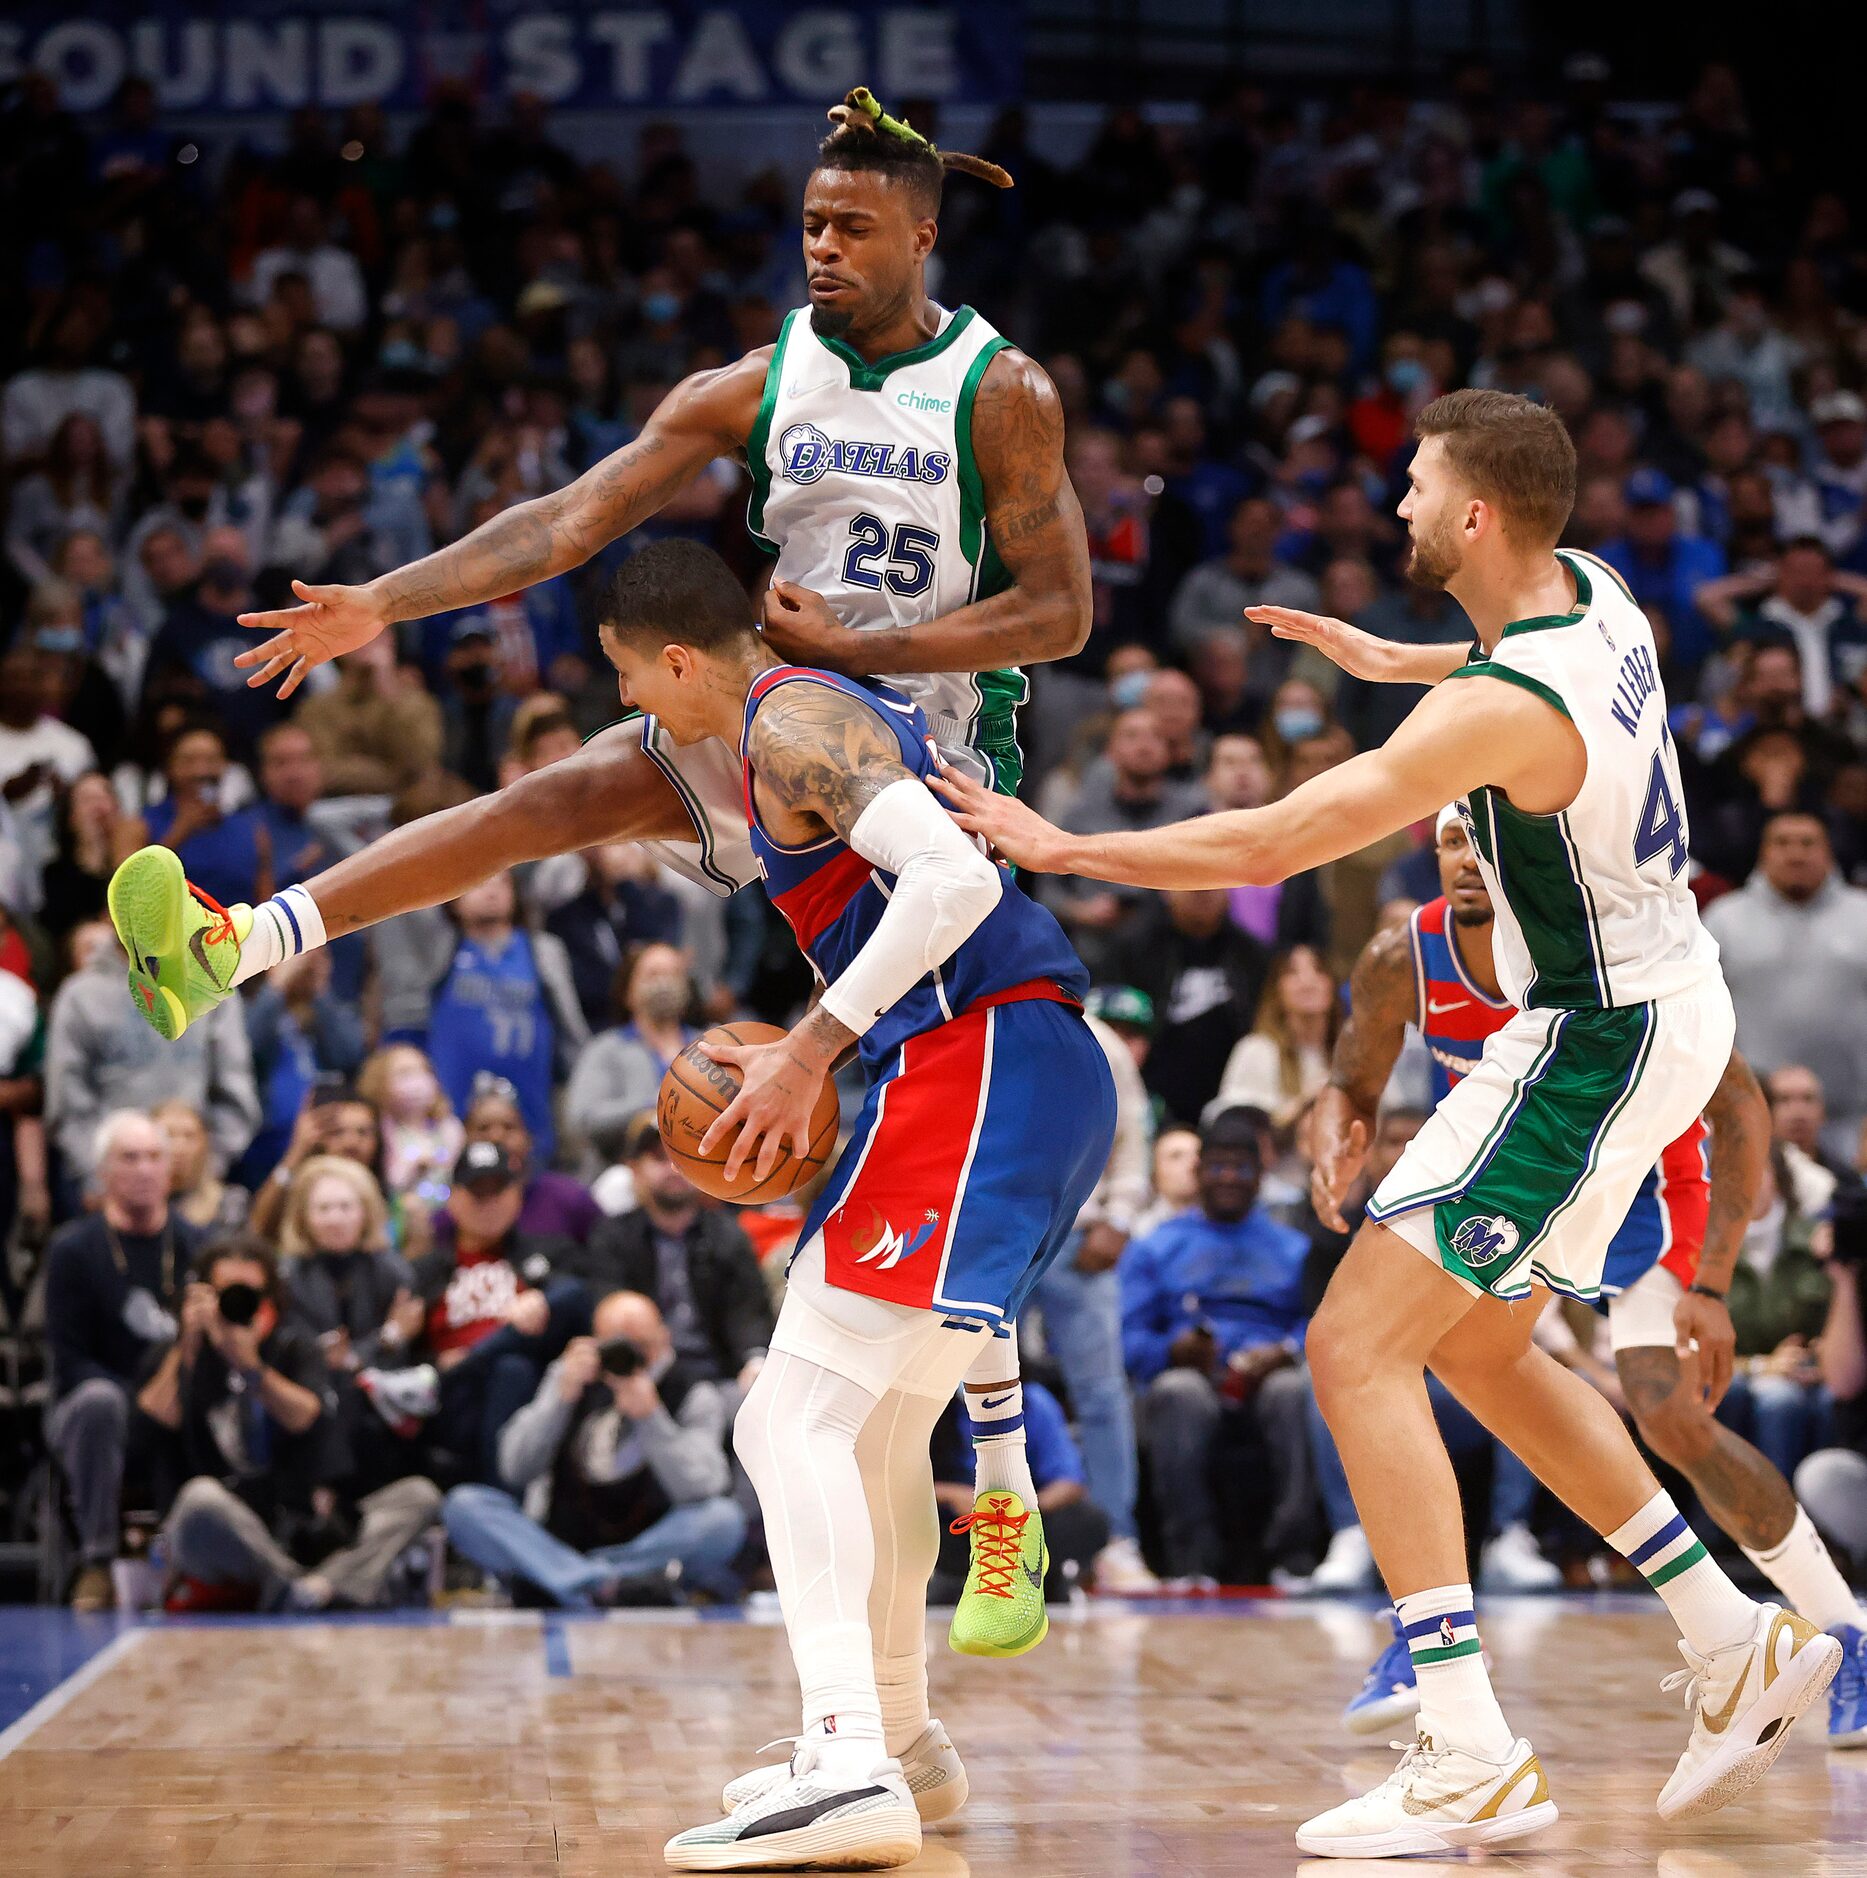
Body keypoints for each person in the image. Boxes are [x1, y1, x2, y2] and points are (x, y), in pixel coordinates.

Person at [939, 388, 1840, 1854]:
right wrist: (1391, 656)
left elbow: (1279, 834)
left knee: (1351, 1346)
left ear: (1477, 514)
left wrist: (1062, 841)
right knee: (1476, 1347)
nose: (1398, 504)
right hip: (1664, 1005)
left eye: (1417, 486)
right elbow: (1501, 668)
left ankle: (1465, 1747)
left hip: (1591, 1038)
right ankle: (1726, 1635)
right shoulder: (1593, 596)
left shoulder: (1495, 708)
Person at [1317, 804, 1867, 1740]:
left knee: (1665, 1412)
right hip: (1518, 1191)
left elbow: (1739, 1113)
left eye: (1478, 842)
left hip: (1642, 1191)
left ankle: (1841, 1625)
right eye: (1448, 842)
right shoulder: (1400, 957)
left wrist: (1712, 1281)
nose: (1465, 862)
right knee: (1423, 1361)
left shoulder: (1594, 946)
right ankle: (1434, 1628)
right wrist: (1336, 1137)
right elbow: (1354, 1076)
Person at [138, 1234, 439, 1611]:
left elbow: (305, 1416)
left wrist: (250, 1367)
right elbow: (155, 1416)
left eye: (250, 1293)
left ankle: (303, 1588)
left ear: (271, 1297)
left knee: (418, 1496)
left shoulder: (294, 1347)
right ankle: (309, 1587)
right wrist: (190, 1342)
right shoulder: (180, 1350)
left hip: (293, 1531)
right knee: (200, 1499)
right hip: (218, 1533)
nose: (238, 1304)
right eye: (225, 1293)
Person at [441, 1288, 746, 1608]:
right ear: (594, 1340)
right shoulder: (571, 1375)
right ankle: (608, 1585)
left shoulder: (691, 1391)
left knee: (723, 1520)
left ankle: (568, 1579)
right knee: (464, 1505)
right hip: (558, 1537)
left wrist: (652, 1419)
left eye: (640, 1346)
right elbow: (514, 1468)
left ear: (664, 1338)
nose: (628, 1358)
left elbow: (705, 1487)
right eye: (615, 1345)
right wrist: (560, 1399)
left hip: (650, 1542)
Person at [1120, 1108, 1312, 1584]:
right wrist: (1173, 1349)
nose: (1228, 1177)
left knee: (1295, 1391)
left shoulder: (1293, 1248)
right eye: (1218, 1166)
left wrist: (1287, 1349)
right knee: (1179, 1392)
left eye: (1241, 1167)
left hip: (1269, 1374)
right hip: (1190, 1377)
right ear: (1198, 1171)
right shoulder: (1156, 1246)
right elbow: (1127, 1339)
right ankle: (1191, 1561)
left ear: (1260, 1175)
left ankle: (1294, 1557)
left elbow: (1323, 1324)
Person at [42, 1111, 203, 1608]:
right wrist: (139, 1404)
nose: (144, 1169)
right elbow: (68, 1361)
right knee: (99, 1402)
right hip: (90, 1408)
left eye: (154, 1157)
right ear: (104, 1172)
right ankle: (97, 1561)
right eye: (129, 1158)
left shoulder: (197, 1242)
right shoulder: (73, 1249)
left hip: (178, 1396)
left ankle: (201, 1563)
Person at [1025, 1009, 1158, 1593]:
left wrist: (1123, 1217)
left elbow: (1132, 1138)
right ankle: (957, 1537)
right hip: (998, 1234)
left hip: (1081, 1236)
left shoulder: (1099, 1039)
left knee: (1103, 1395)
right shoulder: (976, 1027)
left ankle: (1114, 1540)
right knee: (959, 1390)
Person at [44, 919, 258, 1189]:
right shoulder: (81, 995)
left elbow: (236, 1093)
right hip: (109, 1185)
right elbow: (68, 1106)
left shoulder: (212, 985)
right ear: (111, 912)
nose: (148, 912)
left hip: (195, 1182)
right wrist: (100, 1177)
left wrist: (207, 1167)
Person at [1705, 812, 1867, 1166]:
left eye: (1808, 843)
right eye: (1782, 843)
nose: (1796, 854)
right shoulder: (1724, 920)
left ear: (1829, 852)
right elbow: (1698, 1017)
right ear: (1763, 853)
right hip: (1753, 1117)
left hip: (1853, 1120)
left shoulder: (1863, 916)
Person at [571, 1113, 773, 1394]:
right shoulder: (612, 1237)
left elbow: (748, 1311)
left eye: (682, 1157)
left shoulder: (728, 1234)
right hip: (643, 1378)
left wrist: (754, 1360)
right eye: (658, 1158)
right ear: (634, 1169)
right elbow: (609, 1308)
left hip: (720, 1377)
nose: (672, 1168)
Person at [929, 1379, 1109, 1602]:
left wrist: (1021, 1508)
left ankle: (1034, 1576)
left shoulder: (1033, 1401)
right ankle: (953, 1579)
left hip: (1020, 1523)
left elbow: (1068, 1481)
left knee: (1085, 1521)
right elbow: (896, 1479)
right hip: (958, 1526)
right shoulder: (926, 1403)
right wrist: (951, 1494)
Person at [562, 941, 698, 1174]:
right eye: (652, 975)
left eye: (672, 974)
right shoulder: (606, 1049)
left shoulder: (709, 1045)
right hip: (620, 1173)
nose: (663, 984)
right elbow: (582, 1121)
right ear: (628, 991)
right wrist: (655, 1103)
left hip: (699, 1180)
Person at [1212, 943, 1340, 1129]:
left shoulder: (1350, 1054)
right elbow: (1237, 1124)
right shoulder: (1256, 1050)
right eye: (1293, 973)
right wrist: (1306, 1102)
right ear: (1276, 990)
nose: (1308, 981)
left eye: (1318, 971)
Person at [462, 1080, 600, 1244]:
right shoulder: (454, 1212)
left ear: (528, 1138)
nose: (496, 1137)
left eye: (509, 1127)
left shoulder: (569, 1199)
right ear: (465, 1139)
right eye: (483, 1128)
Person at [152, 1096, 248, 1232]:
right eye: (168, 1135)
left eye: (189, 1136)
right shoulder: (131, 1207)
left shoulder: (230, 1203)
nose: (180, 1147)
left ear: (205, 1144)